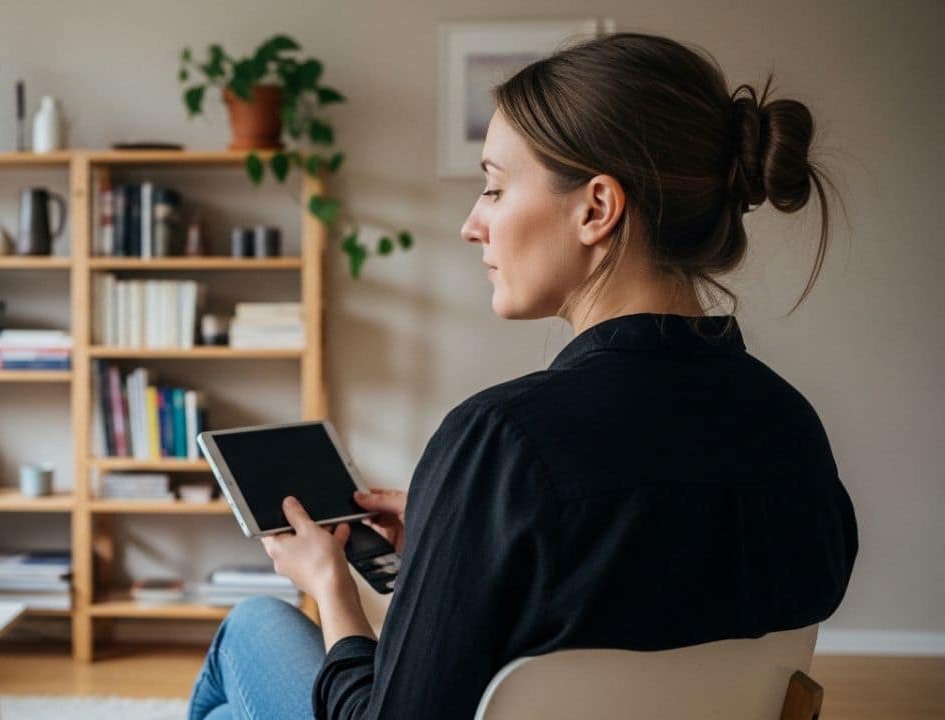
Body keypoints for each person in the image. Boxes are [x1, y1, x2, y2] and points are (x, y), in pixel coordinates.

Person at [188, 31, 858, 720]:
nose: (472, 225)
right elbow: (657, 585)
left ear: (596, 209)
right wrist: (464, 541)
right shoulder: (791, 425)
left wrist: (332, 589)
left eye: (495, 188)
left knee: (251, 629)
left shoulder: (501, 442)